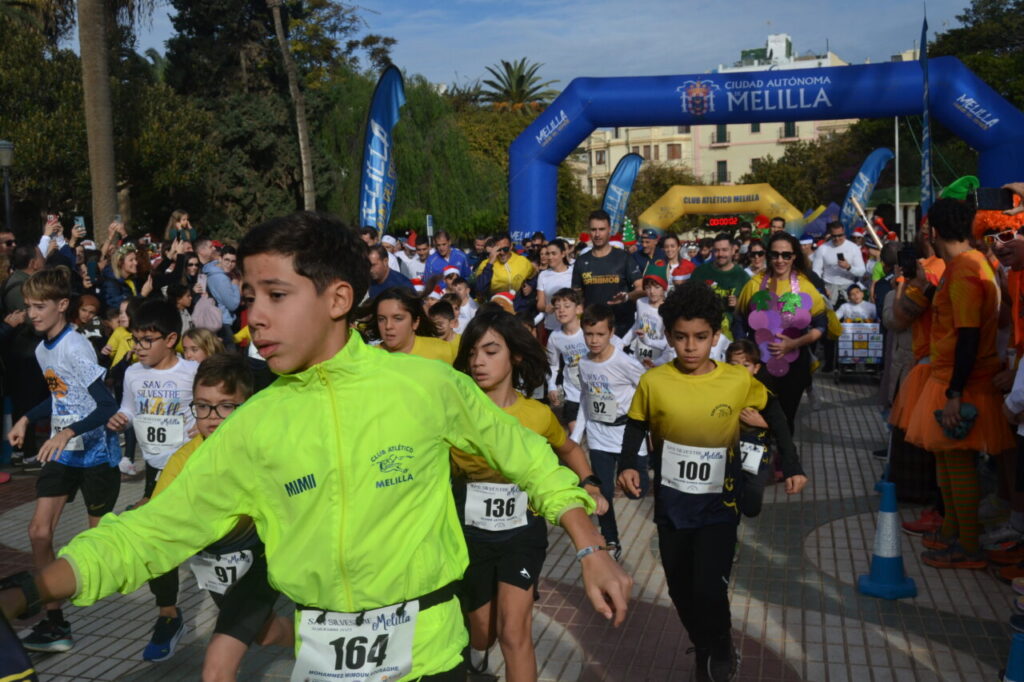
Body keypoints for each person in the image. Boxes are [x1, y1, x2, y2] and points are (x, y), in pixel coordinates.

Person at [0, 212, 632, 681]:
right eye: (250, 298)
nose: (258, 317)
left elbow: (529, 460)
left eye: (277, 295)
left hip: (434, 662)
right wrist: (31, 591)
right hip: (319, 666)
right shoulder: (252, 424)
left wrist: (589, 547)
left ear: (338, 298)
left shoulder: (428, 385)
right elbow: (152, 533)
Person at [617, 280, 772, 681]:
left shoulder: (736, 379)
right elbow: (636, 424)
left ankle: (718, 645)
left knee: (708, 588)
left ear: (715, 336)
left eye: (700, 337)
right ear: (668, 336)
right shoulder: (654, 381)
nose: (690, 346)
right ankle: (704, 641)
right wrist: (627, 465)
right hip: (672, 505)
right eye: (681, 337)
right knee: (680, 591)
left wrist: (790, 458)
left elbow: (774, 412)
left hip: (721, 504)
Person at [451, 310, 607, 680]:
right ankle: (473, 651)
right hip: (467, 536)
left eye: (490, 351)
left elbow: (569, 449)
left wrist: (589, 482)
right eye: (472, 352)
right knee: (482, 633)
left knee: (514, 632)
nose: (477, 361)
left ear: (515, 356)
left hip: (522, 535)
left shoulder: (536, 415)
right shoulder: (453, 414)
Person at [141, 354, 291, 671]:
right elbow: (154, 523)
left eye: (225, 406)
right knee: (265, 634)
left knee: (217, 666)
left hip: (273, 556)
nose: (212, 417)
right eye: (202, 405)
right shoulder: (184, 460)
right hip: (220, 564)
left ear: (248, 405)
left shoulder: (271, 447)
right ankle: (319, 641)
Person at [7, 269, 120, 652]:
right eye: (28, 306)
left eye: (40, 306)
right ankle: (55, 624)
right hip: (62, 454)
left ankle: (165, 607)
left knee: (103, 544)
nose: (32, 313)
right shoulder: (42, 350)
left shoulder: (76, 347)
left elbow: (105, 405)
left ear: (62, 305)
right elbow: (60, 398)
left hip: (95, 455)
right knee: (39, 532)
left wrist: (67, 431)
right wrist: (26, 417)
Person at [905, 198, 1015, 569]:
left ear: (933, 232)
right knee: (949, 464)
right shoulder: (973, 264)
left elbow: (967, 334)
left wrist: (954, 393)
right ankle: (954, 534)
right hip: (955, 376)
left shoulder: (966, 269)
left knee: (958, 464)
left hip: (960, 381)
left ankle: (968, 547)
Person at [571, 304, 647, 560]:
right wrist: (575, 438)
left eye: (600, 335)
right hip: (598, 435)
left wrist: (649, 428)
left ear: (611, 332)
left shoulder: (625, 362)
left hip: (627, 434)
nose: (594, 340)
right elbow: (585, 398)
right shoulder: (584, 364)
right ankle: (611, 539)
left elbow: (646, 390)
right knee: (601, 493)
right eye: (589, 334)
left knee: (637, 491)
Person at [107, 298, 198, 507]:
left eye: (147, 340)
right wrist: (122, 419)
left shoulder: (193, 372)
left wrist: (201, 426)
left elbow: (211, 411)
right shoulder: (132, 373)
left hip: (186, 460)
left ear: (170, 339)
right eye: (136, 340)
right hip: (152, 461)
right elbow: (129, 409)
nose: (139, 347)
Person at [734, 232, 828, 435]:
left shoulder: (805, 287)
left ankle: (783, 461)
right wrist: (744, 354)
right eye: (775, 254)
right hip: (760, 365)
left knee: (786, 416)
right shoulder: (753, 285)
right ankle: (758, 459)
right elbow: (739, 320)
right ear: (768, 256)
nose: (780, 260)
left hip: (795, 365)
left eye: (786, 255)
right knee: (756, 414)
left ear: (794, 256)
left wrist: (794, 344)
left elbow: (821, 326)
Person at [726, 339, 807, 518]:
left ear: (756, 368)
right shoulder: (717, 391)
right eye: (733, 364)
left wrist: (763, 424)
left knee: (751, 506)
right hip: (724, 456)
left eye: (745, 365)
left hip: (756, 458)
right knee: (725, 505)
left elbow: (782, 430)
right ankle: (729, 537)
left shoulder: (763, 395)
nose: (739, 370)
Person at [572, 210, 643, 338]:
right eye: (593, 230)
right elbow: (577, 297)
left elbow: (641, 288)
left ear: (609, 229)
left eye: (602, 229)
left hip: (621, 328)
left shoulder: (624, 258)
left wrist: (627, 296)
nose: (597, 234)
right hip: (593, 330)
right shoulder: (581, 261)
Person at [371, 286, 457, 364]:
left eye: (398, 318)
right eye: (381, 319)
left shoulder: (443, 351)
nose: (388, 326)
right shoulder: (369, 358)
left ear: (415, 322)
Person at [545, 288, 588, 432]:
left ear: (579, 309)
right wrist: (551, 386)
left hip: (596, 392)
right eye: (557, 308)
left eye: (567, 306)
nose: (561, 310)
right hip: (573, 394)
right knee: (575, 437)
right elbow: (553, 365)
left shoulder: (589, 331)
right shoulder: (555, 337)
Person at [621, 261, 672, 368]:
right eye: (648, 287)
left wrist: (648, 340)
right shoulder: (641, 302)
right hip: (638, 354)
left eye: (657, 287)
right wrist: (622, 343)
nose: (652, 291)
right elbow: (636, 325)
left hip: (658, 358)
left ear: (664, 288)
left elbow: (669, 342)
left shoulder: (669, 308)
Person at [692, 233, 750, 326]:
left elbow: (749, 309)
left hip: (732, 328)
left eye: (724, 250)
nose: (720, 254)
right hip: (703, 324)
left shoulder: (742, 276)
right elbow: (689, 300)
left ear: (732, 250)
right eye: (717, 250)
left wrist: (738, 304)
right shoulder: (700, 272)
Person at [195, 237, 240, 347]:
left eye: (233, 261)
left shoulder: (211, 269)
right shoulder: (221, 278)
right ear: (220, 259)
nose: (230, 264)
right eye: (227, 260)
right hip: (223, 322)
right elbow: (233, 305)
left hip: (217, 321)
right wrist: (235, 284)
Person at [812, 221, 866, 308]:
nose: (837, 238)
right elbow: (816, 271)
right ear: (830, 234)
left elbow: (862, 272)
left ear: (844, 233)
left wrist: (849, 267)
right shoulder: (822, 248)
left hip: (848, 287)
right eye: (834, 236)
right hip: (829, 287)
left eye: (840, 235)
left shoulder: (853, 248)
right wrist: (822, 287)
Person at [474, 234, 536, 298]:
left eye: (505, 249)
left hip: (518, 306)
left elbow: (534, 277)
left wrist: (530, 286)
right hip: (496, 305)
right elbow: (480, 290)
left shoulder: (523, 261)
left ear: (511, 246)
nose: (502, 253)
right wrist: (490, 263)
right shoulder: (485, 264)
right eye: (499, 250)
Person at [536, 239, 574, 335]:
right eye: (548, 254)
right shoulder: (543, 275)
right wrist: (545, 308)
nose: (550, 257)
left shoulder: (574, 273)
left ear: (563, 254)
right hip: (551, 326)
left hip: (572, 325)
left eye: (554, 253)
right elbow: (540, 303)